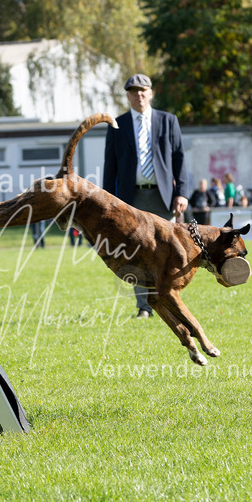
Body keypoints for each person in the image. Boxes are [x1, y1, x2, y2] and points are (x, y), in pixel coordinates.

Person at [103, 73, 189, 319]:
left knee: (170, 251)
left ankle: (170, 300)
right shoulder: (117, 126)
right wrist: (108, 202)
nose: (139, 95)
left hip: (164, 197)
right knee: (136, 253)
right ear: (128, 95)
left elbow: (179, 158)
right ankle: (144, 306)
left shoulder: (168, 121)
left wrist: (181, 192)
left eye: (143, 91)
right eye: (133, 91)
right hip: (131, 200)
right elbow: (110, 166)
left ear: (150, 93)